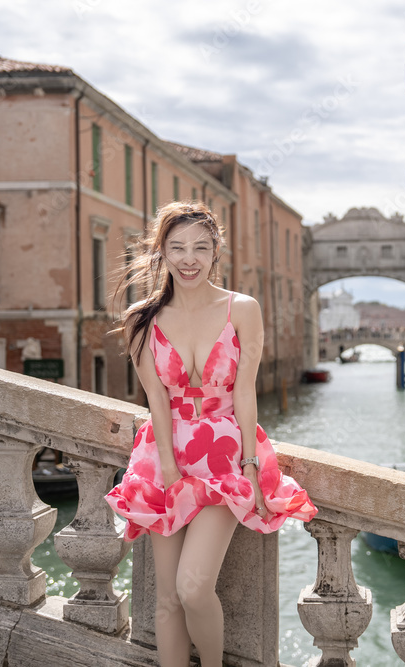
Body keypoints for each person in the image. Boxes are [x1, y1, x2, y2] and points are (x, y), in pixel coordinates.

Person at [104, 201, 317, 667]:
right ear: (161, 251)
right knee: (167, 599)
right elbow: (156, 399)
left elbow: (245, 392)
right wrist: (168, 467)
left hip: (224, 455)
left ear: (216, 250)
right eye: (177, 247)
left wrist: (250, 465)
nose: (189, 259)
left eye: (201, 247)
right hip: (164, 456)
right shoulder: (142, 318)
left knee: (193, 587)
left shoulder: (242, 309)